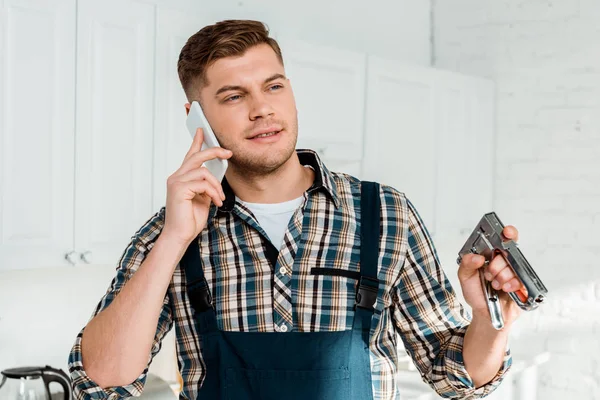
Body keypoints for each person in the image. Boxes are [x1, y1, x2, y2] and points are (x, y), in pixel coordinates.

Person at [68, 19, 524, 400]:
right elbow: (101, 384)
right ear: (196, 117)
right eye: (233, 96)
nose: (262, 108)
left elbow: (455, 376)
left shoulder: (386, 213)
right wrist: (172, 241)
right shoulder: (169, 233)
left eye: (273, 86)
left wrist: (490, 320)